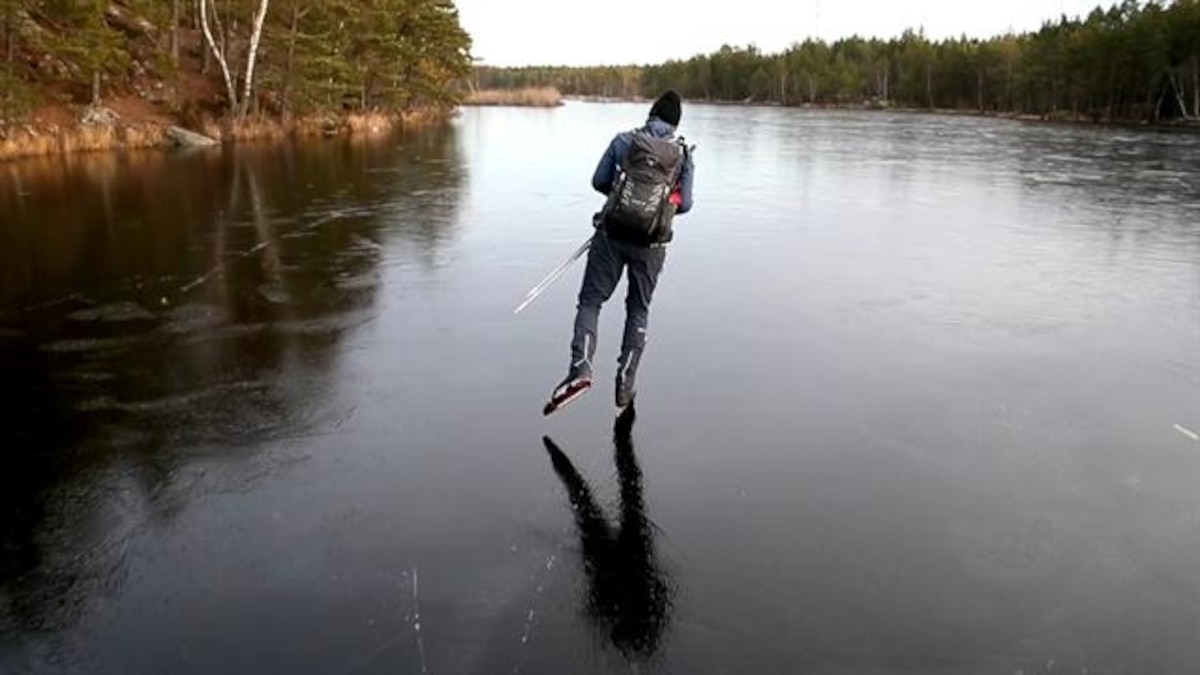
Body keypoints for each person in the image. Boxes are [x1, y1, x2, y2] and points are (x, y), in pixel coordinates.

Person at [545, 89, 695, 414]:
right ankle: (625, 382)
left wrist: (623, 198)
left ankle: (581, 368)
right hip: (651, 246)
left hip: (611, 236)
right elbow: (685, 205)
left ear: (651, 114)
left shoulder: (624, 141)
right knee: (637, 310)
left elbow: (599, 181)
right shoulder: (682, 154)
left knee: (591, 301)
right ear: (675, 123)